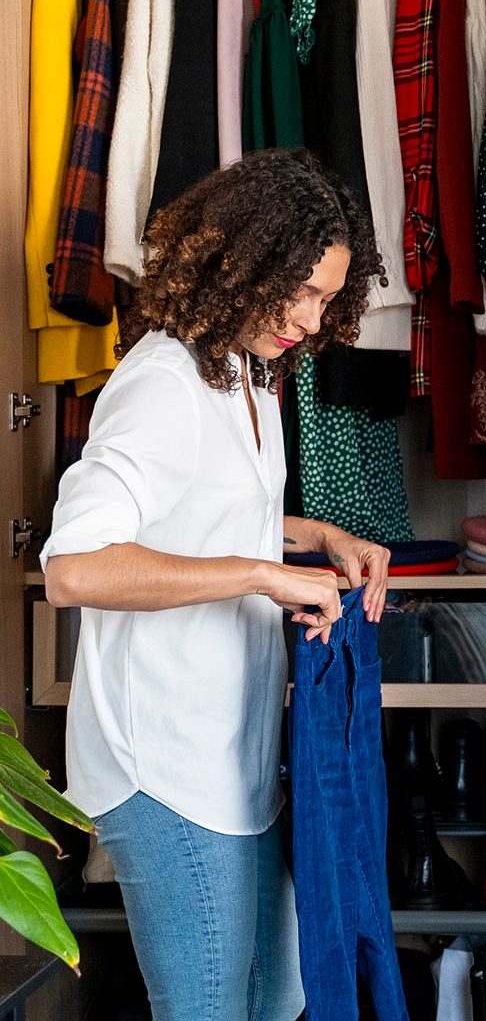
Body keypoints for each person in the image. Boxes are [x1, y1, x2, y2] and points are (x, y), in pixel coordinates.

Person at [42, 149, 394, 1020]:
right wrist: (263, 575)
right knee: (207, 1008)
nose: (313, 322)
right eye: (302, 293)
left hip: (232, 749)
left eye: (327, 298)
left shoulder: (243, 371)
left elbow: (204, 506)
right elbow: (74, 567)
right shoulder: (160, 382)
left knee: (280, 997)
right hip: (162, 760)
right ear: (243, 263)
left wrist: (318, 537)